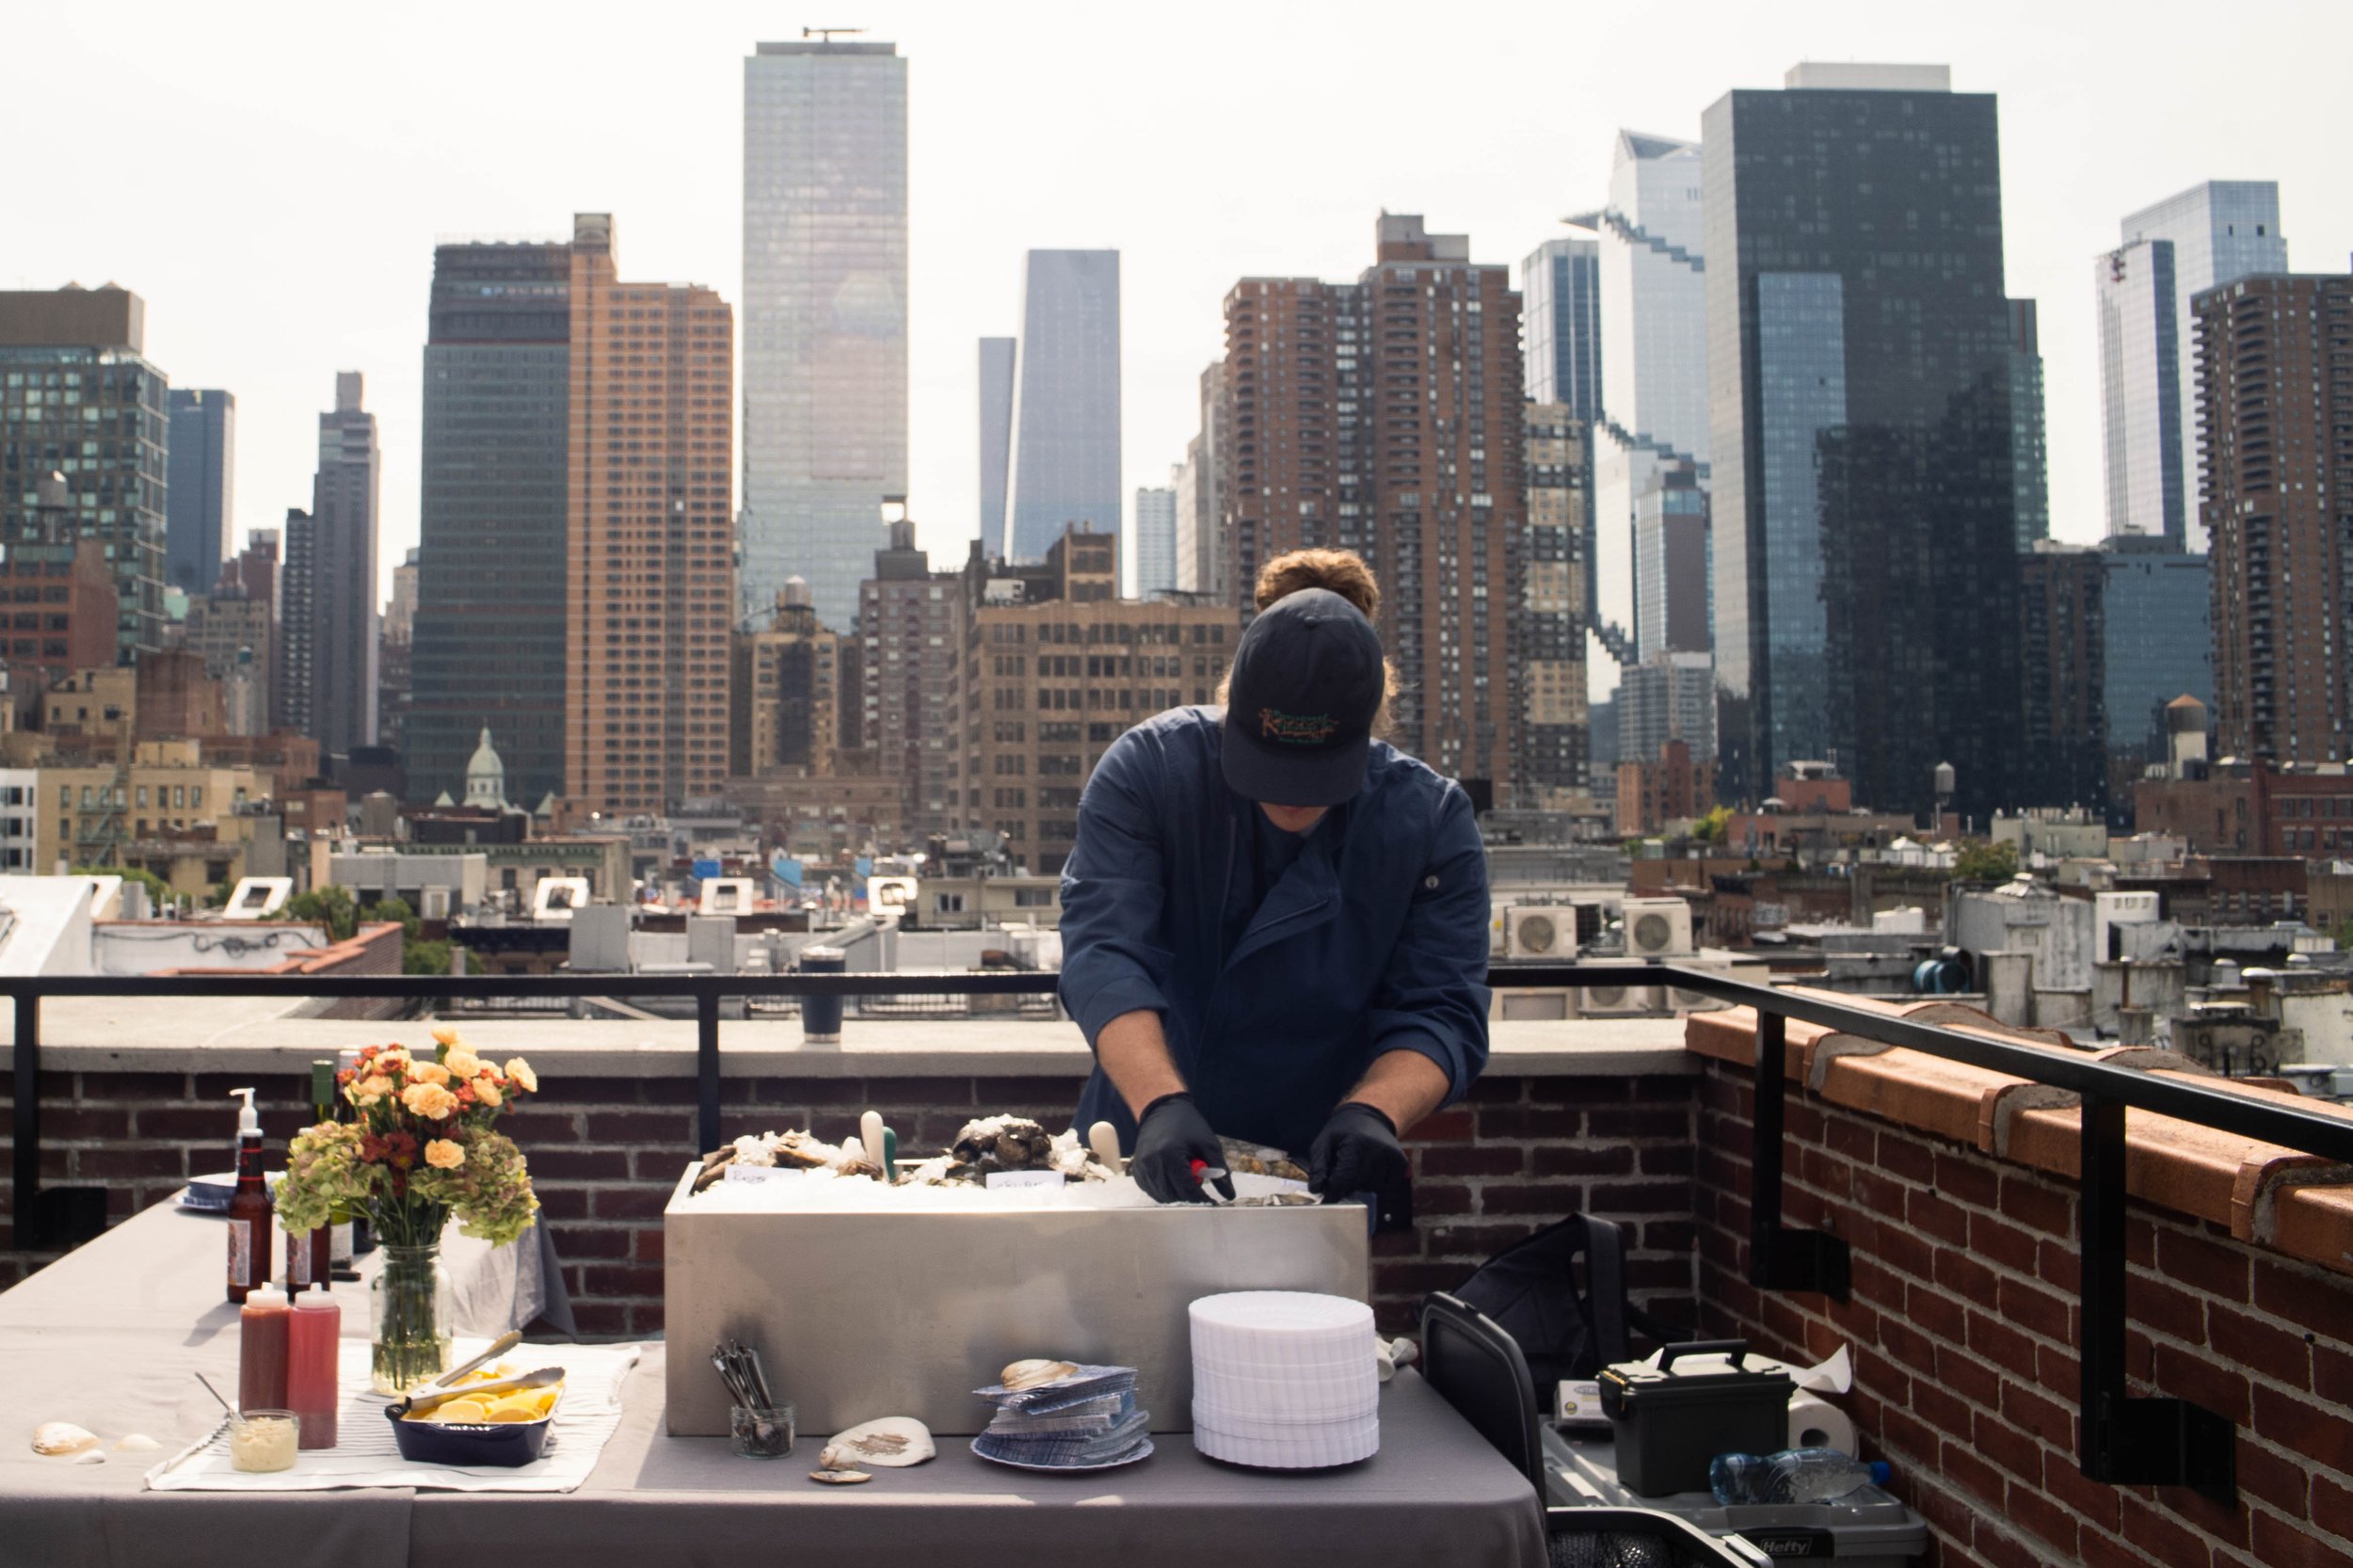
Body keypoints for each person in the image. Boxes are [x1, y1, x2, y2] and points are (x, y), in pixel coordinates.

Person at [1057, 550, 1491, 1231]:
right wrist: (1163, 1104)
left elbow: (1441, 1008)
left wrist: (1374, 1112)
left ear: (1369, 725)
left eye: (1315, 775)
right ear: (1235, 705)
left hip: (1319, 1162)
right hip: (1139, 1137)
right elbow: (1103, 956)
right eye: (1270, 767)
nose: (1290, 797)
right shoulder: (1148, 771)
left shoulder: (1430, 820)